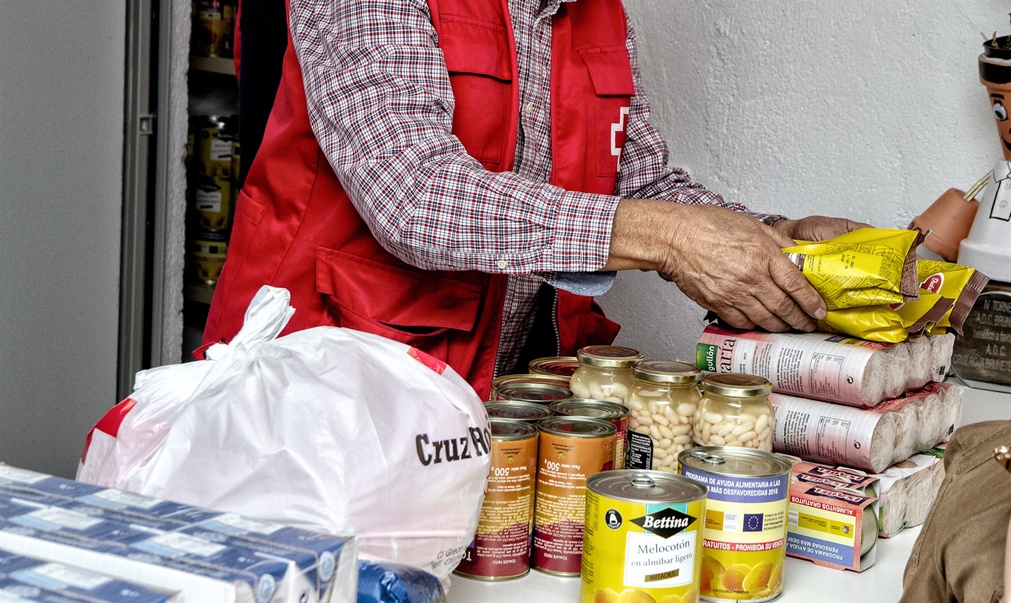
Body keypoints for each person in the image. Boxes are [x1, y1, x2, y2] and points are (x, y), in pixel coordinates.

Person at [202, 0, 866, 397]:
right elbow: (414, 195)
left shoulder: (594, 12)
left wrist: (771, 236)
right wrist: (670, 239)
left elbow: (640, 182)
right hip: (316, 389)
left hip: (479, 402)